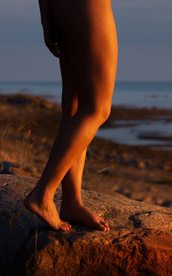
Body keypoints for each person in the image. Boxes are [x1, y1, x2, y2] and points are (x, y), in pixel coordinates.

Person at [24, 0, 118, 232]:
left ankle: (71, 202)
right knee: (97, 109)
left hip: (63, 8)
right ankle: (43, 194)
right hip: (88, 6)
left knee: (75, 108)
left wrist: (46, 16)